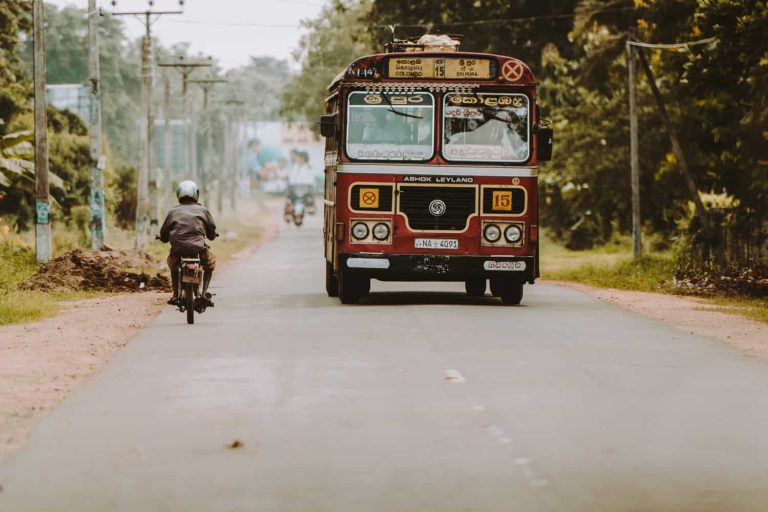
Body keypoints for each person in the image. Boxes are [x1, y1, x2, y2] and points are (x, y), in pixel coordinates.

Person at [159, 180, 217, 306]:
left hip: (178, 250)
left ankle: (175, 295)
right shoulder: (203, 210)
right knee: (210, 264)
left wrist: (163, 238)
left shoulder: (172, 212)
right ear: (196, 194)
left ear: (178, 194)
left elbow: (164, 234)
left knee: (174, 267)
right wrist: (212, 236)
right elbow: (211, 232)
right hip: (199, 249)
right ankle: (203, 294)